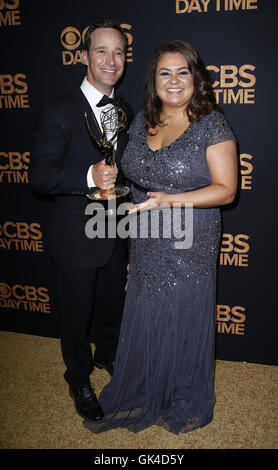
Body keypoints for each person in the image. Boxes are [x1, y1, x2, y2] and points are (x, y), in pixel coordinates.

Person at [84, 40, 238, 435]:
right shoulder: (141, 121)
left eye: (182, 72)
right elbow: (134, 180)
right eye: (164, 73)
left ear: (195, 78)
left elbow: (226, 189)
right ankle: (145, 386)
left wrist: (172, 201)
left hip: (191, 236)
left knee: (184, 314)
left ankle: (184, 396)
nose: (173, 81)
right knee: (149, 313)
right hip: (148, 233)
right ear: (154, 81)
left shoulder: (212, 123)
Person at [29, 18, 132, 422]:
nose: (111, 60)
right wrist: (88, 176)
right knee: (75, 315)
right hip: (75, 234)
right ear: (85, 57)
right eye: (102, 51)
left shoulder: (124, 109)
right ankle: (78, 377)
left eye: (119, 52)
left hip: (116, 229)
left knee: (112, 305)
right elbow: (39, 176)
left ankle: (109, 354)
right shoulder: (58, 110)